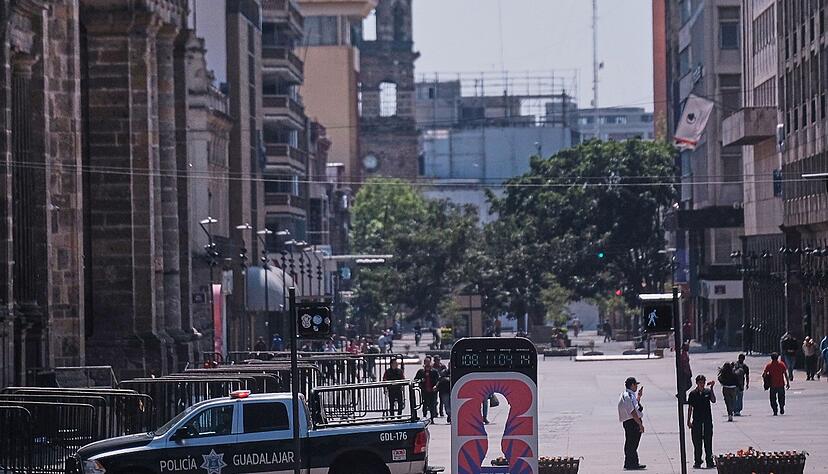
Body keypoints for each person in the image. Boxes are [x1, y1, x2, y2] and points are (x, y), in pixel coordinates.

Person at [687, 375, 717, 469]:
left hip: (707, 420)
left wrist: (711, 388)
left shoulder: (707, 392)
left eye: (703, 383)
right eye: (700, 383)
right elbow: (690, 408)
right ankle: (697, 461)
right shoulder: (692, 394)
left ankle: (709, 461)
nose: (702, 384)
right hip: (697, 421)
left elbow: (713, 400)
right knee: (697, 443)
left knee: (708, 442)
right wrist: (688, 421)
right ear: (697, 383)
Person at [617, 376, 646, 470]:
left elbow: (635, 406)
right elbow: (633, 412)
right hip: (632, 422)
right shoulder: (628, 396)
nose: (636, 387)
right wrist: (640, 424)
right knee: (632, 443)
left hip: (630, 421)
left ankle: (631, 462)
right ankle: (631, 463)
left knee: (631, 443)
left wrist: (639, 397)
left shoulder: (628, 395)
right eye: (635, 385)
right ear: (632, 385)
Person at [414, 356, 439, 422]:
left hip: (432, 391)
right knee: (425, 404)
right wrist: (420, 382)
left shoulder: (434, 371)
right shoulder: (421, 371)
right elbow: (415, 379)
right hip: (424, 390)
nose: (427, 363)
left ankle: (432, 418)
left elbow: (438, 380)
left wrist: (436, 386)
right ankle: (424, 416)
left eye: (428, 362)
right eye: (426, 362)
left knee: (432, 404)